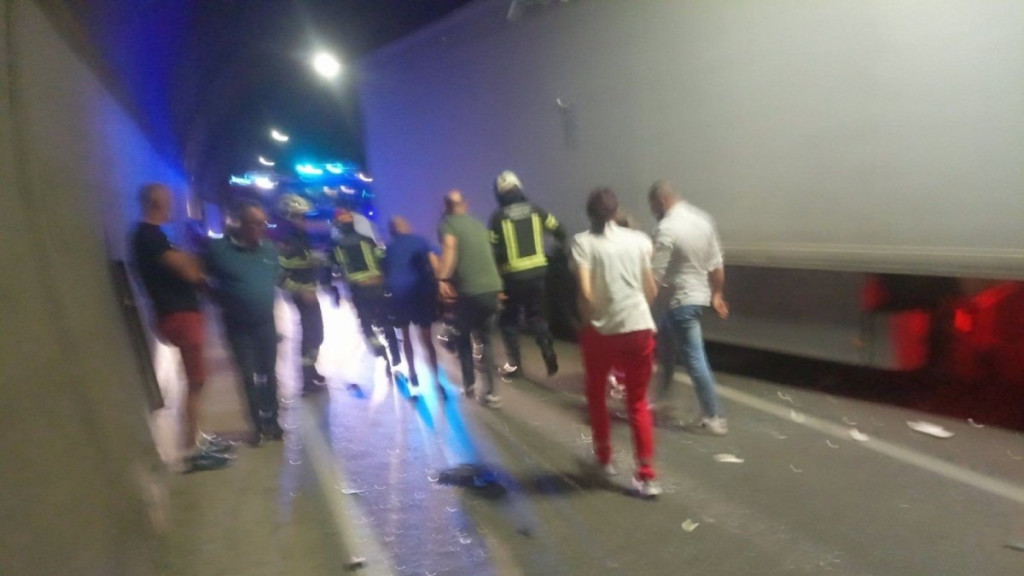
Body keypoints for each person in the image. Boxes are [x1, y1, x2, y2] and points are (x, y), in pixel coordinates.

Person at [132, 183, 232, 472]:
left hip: (181, 315)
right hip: (179, 316)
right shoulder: (149, 236)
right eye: (168, 200)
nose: (172, 205)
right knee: (196, 381)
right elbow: (189, 271)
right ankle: (192, 448)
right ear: (156, 203)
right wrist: (194, 262)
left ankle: (196, 436)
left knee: (197, 380)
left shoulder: (155, 236)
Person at [572, 187, 661, 498]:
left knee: (596, 394)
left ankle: (604, 459)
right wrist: (635, 313)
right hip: (638, 327)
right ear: (615, 211)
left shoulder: (583, 242)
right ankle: (647, 477)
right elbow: (651, 290)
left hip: (601, 331)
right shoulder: (639, 241)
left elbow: (586, 293)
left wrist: (590, 321)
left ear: (589, 213)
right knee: (637, 401)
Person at [648, 180, 730, 436]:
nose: (654, 213)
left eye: (653, 208)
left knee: (694, 357)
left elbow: (654, 276)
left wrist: (642, 306)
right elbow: (716, 265)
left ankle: (713, 416)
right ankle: (659, 399)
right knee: (666, 350)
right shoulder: (703, 220)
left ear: (661, 201)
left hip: (679, 301)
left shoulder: (667, 227)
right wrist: (717, 294)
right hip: (695, 298)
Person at [205, 202, 283, 445]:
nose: (260, 228)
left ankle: (272, 420)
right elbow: (198, 274)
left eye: (262, 223)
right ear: (240, 223)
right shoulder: (219, 250)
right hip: (238, 327)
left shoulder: (269, 250)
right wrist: (219, 298)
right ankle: (257, 425)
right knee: (249, 376)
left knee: (268, 373)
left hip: (265, 324)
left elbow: (276, 277)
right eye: (254, 223)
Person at [488, 171, 565, 378]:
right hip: (538, 274)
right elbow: (560, 231)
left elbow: (492, 250)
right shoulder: (536, 210)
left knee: (508, 321)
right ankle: (547, 350)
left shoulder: (497, 218)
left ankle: (515, 366)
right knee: (537, 316)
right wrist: (557, 251)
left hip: (512, 278)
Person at [437, 190, 503, 407]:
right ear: (465, 204)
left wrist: (442, 278)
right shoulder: (477, 224)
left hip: (469, 291)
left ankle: (469, 385)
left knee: (463, 336)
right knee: (485, 339)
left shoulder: (448, 224)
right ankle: (492, 393)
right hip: (491, 288)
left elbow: (449, 248)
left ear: (446, 207)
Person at [381, 216, 442, 392]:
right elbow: (435, 265)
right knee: (427, 339)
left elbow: (385, 272)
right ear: (406, 226)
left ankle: (413, 374)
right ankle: (436, 378)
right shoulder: (420, 241)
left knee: (406, 336)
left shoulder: (389, 248)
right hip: (420, 294)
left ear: (392, 230)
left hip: (399, 297)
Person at [331, 209, 400, 364]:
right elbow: (382, 258)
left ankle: (378, 349)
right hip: (376, 283)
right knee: (385, 319)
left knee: (365, 321)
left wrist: (333, 289)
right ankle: (395, 354)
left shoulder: (337, 246)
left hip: (358, 287)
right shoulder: (367, 240)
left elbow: (336, 267)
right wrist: (386, 280)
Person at [276, 194, 326, 395]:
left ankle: (311, 371)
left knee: (316, 334)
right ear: (289, 216)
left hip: (309, 291)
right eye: (300, 216)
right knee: (311, 333)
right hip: (301, 293)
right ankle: (306, 380)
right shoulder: (287, 240)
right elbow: (279, 274)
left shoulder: (300, 237)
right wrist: (301, 290)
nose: (304, 220)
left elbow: (305, 261)